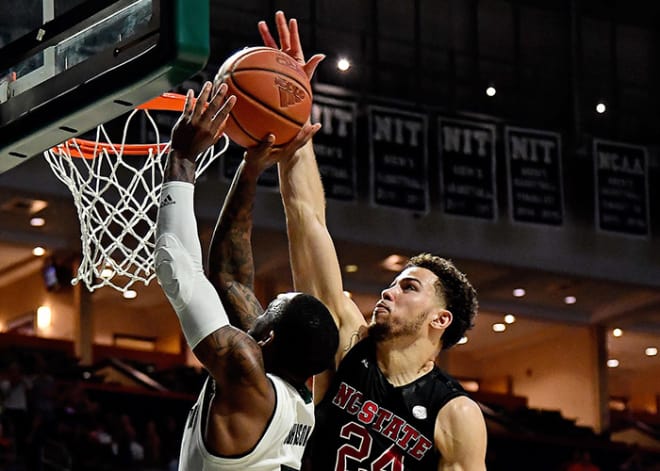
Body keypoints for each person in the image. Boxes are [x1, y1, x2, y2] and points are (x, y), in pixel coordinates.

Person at [255, 11, 488, 470]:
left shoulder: (456, 414)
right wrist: (293, 111)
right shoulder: (346, 343)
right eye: (396, 282)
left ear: (440, 319)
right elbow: (307, 220)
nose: (389, 290)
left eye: (409, 288)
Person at [154, 81, 339, 470]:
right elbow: (229, 277)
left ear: (268, 337)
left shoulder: (246, 371)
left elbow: (180, 273)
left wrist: (183, 158)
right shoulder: (289, 396)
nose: (255, 305)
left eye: (268, 308)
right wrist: (250, 170)